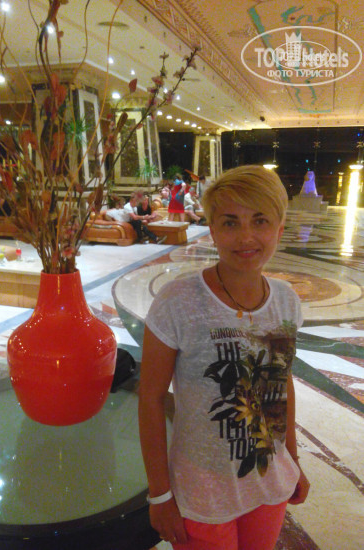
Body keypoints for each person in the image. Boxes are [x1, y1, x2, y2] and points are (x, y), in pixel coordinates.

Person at [138, 165, 310, 550]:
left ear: (279, 229)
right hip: (202, 489)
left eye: (260, 221)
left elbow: (280, 384)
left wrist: (292, 459)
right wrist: (160, 494)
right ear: (213, 230)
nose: (246, 237)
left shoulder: (286, 301)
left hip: (268, 479)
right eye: (231, 222)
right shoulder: (178, 301)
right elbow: (150, 398)